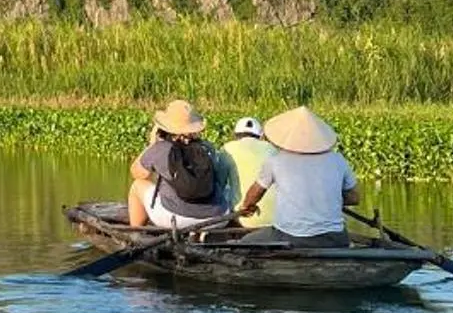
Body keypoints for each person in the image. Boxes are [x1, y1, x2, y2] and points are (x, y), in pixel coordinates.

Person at [236, 106, 359, 241]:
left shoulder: (275, 161)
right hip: (335, 238)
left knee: (245, 242)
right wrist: (327, 201)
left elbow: (254, 194)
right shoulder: (338, 159)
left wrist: (247, 206)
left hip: (288, 236)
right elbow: (354, 198)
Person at [128, 99, 233, 229]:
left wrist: (152, 145)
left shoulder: (161, 149)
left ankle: (135, 232)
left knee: (137, 185)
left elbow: (137, 173)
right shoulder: (207, 148)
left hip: (177, 219)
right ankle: (199, 234)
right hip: (217, 218)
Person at [223, 115, 276, 230]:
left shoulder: (227, 148)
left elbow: (219, 182)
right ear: (260, 136)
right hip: (275, 218)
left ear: (235, 135)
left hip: (243, 216)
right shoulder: (272, 149)